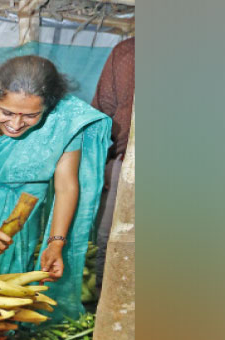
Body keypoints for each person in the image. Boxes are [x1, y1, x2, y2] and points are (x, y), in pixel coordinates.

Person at [0, 55, 111, 320]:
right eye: (7, 112)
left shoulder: (64, 119)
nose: (16, 125)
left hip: (28, 208)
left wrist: (55, 243)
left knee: (17, 280)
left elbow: (66, 187)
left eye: (31, 116)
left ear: (49, 105)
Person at [91, 37, 135, 292]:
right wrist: (105, 162)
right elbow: (102, 109)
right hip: (124, 160)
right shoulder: (127, 50)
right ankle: (103, 316)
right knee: (108, 238)